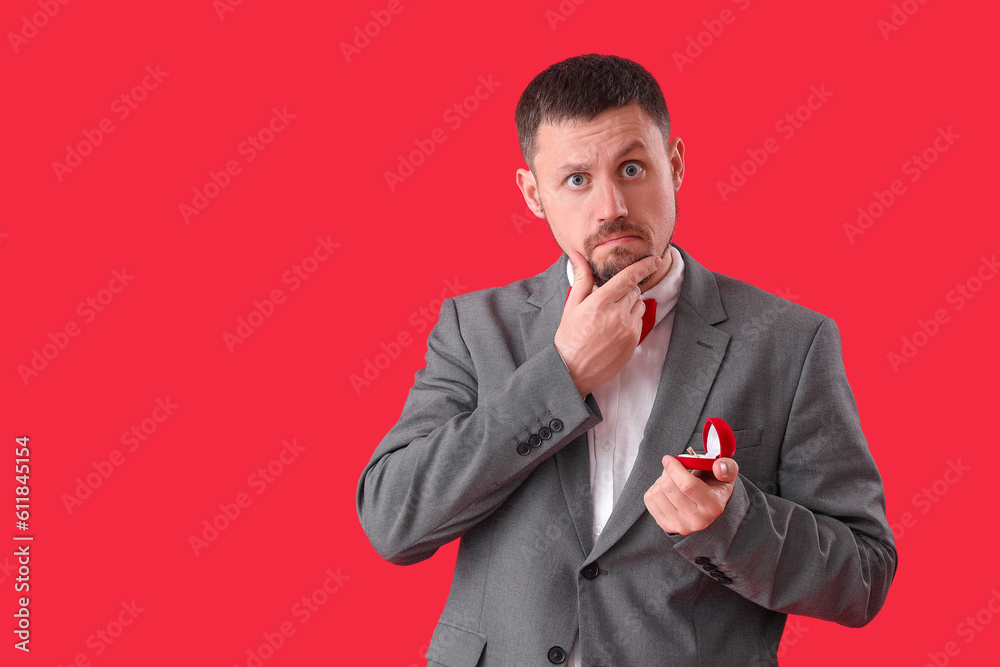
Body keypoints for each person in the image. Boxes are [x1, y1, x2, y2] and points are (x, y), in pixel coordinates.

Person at [356, 54, 896, 667]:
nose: (611, 205)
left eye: (633, 168)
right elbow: (394, 522)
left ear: (676, 164)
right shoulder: (475, 328)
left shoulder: (790, 342)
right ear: (534, 194)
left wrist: (730, 523)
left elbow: (863, 577)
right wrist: (562, 375)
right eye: (577, 180)